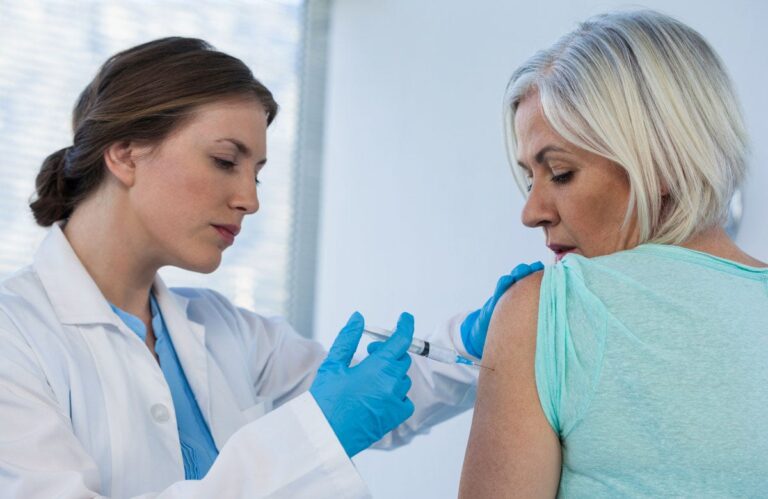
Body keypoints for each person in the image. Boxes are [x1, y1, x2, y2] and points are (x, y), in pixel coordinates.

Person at [0, 38, 538, 498]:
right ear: (124, 154)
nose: (249, 200)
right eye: (224, 161)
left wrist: (475, 341)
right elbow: (320, 429)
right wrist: (314, 433)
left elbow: (378, 395)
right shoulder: (16, 337)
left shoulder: (222, 330)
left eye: (256, 174)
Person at [459, 9, 768, 498]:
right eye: (528, 178)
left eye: (559, 173)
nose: (531, 211)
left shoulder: (545, 311)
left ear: (663, 160)